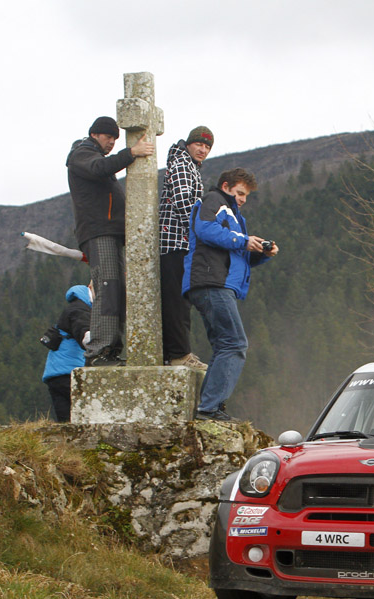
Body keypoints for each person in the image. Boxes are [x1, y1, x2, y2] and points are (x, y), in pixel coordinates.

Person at [183, 168, 278, 421]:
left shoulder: (235, 217)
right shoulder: (214, 201)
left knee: (224, 345)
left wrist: (260, 253)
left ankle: (209, 407)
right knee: (235, 344)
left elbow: (239, 255)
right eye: (239, 193)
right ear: (225, 186)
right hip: (211, 282)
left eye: (246, 195)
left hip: (216, 283)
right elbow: (204, 229)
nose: (243, 199)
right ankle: (209, 408)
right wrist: (243, 240)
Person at [66, 115, 154, 366]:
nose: (112, 142)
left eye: (116, 138)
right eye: (109, 137)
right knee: (106, 288)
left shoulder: (93, 155)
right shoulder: (82, 154)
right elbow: (99, 168)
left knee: (115, 290)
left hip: (108, 232)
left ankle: (111, 349)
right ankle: (98, 352)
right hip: (98, 232)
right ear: (95, 134)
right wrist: (132, 152)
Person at [158, 126, 213, 370]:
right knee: (176, 301)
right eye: (199, 144)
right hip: (175, 242)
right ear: (189, 144)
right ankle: (179, 354)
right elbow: (184, 203)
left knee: (181, 300)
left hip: (182, 241)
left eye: (207, 146)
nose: (203, 149)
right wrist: (201, 231)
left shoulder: (189, 165)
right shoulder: (182, 163)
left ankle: (176, 352)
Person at [42, 284, 93, 422]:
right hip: (69, 372)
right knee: (88, 413)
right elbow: (84, 333)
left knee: (66, 422)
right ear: (91, 288)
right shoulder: (79, 309)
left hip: (55, 372)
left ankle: (66, 443)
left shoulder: (75, 306)